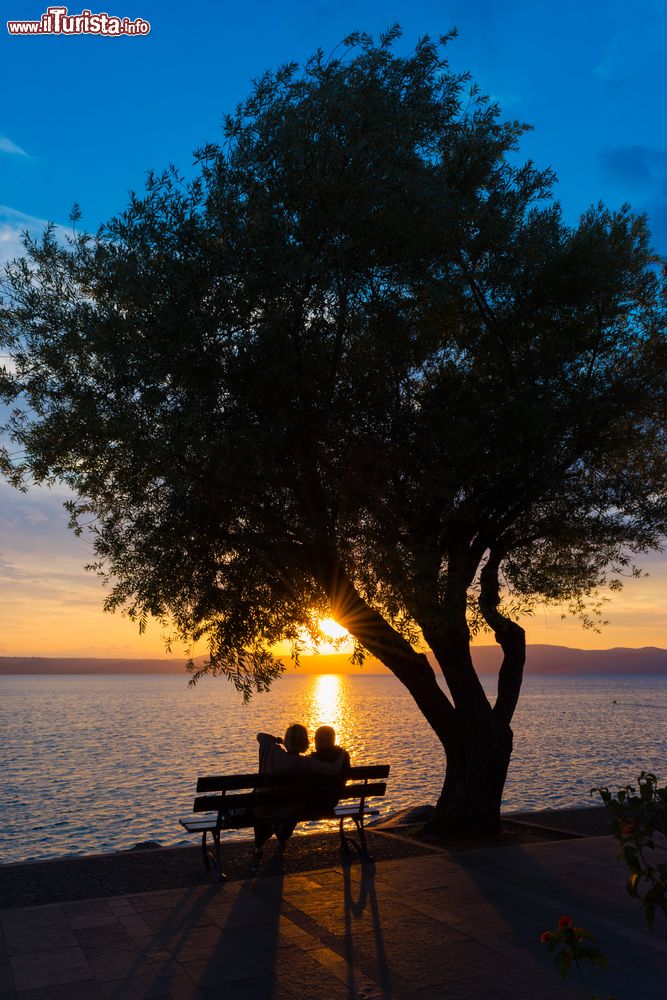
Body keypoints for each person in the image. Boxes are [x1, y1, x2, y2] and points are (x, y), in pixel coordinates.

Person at [252, 723, 340, 863]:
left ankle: (259, 846)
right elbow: (332, 770)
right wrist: (342, 756)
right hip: (288, 811)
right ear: (305, 742)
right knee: (294, 806)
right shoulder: (308, 763)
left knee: (263, 800)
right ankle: (281, 835)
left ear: (287, 740)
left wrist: (279, 741)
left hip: (262, 809)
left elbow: (260, 736)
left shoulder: (272, 752)